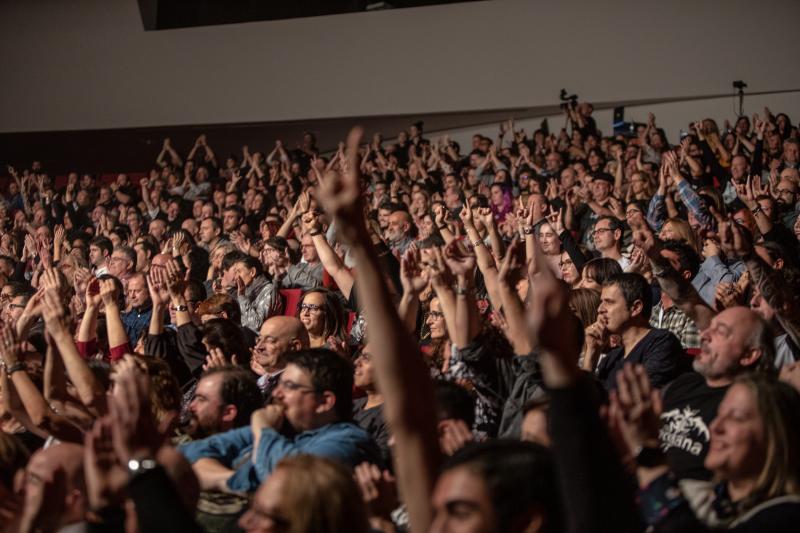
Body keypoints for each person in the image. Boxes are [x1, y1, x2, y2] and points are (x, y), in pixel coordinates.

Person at [179, 348, 380, 493]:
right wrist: (229, 481)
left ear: (325, 401)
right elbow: (187, 455)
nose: (276, 393)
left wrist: (263, 429)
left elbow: (284, 485)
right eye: (279, 384)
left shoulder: (349, 443)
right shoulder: (285, 425)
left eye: (289, 386)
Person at [590, 273, 688, 390]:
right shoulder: (612, 358)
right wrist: (592, 352)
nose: (600, 309)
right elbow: (589, 404)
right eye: (601, 302)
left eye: (609, 302)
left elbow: (641, 395)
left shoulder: (661, 343)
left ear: (636, 308)